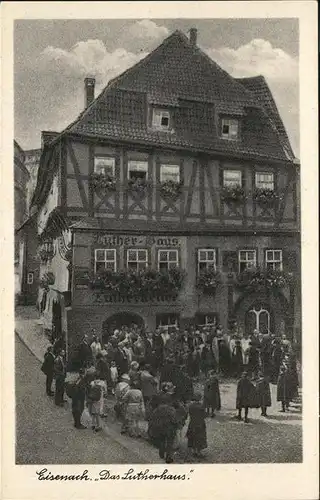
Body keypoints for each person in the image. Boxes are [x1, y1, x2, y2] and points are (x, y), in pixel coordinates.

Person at [148, 387, 179, 463]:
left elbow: (153, 418)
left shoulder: (158, 409)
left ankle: (161, 453)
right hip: (169, 429)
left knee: (161, 440)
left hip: (160, 427)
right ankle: (168, 456)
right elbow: (174, 419)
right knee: (169, 442)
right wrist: (177, 425)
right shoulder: (171, 409)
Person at [186, 392, 207, 458]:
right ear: (200, 398)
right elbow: (204, 415)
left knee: (193, 437)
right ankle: (199, 452)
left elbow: (189, 413)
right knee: (200, 438)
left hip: (192, 423)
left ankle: (194, 451)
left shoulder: (190, 406)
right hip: (200, 424)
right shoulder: (201, 406)